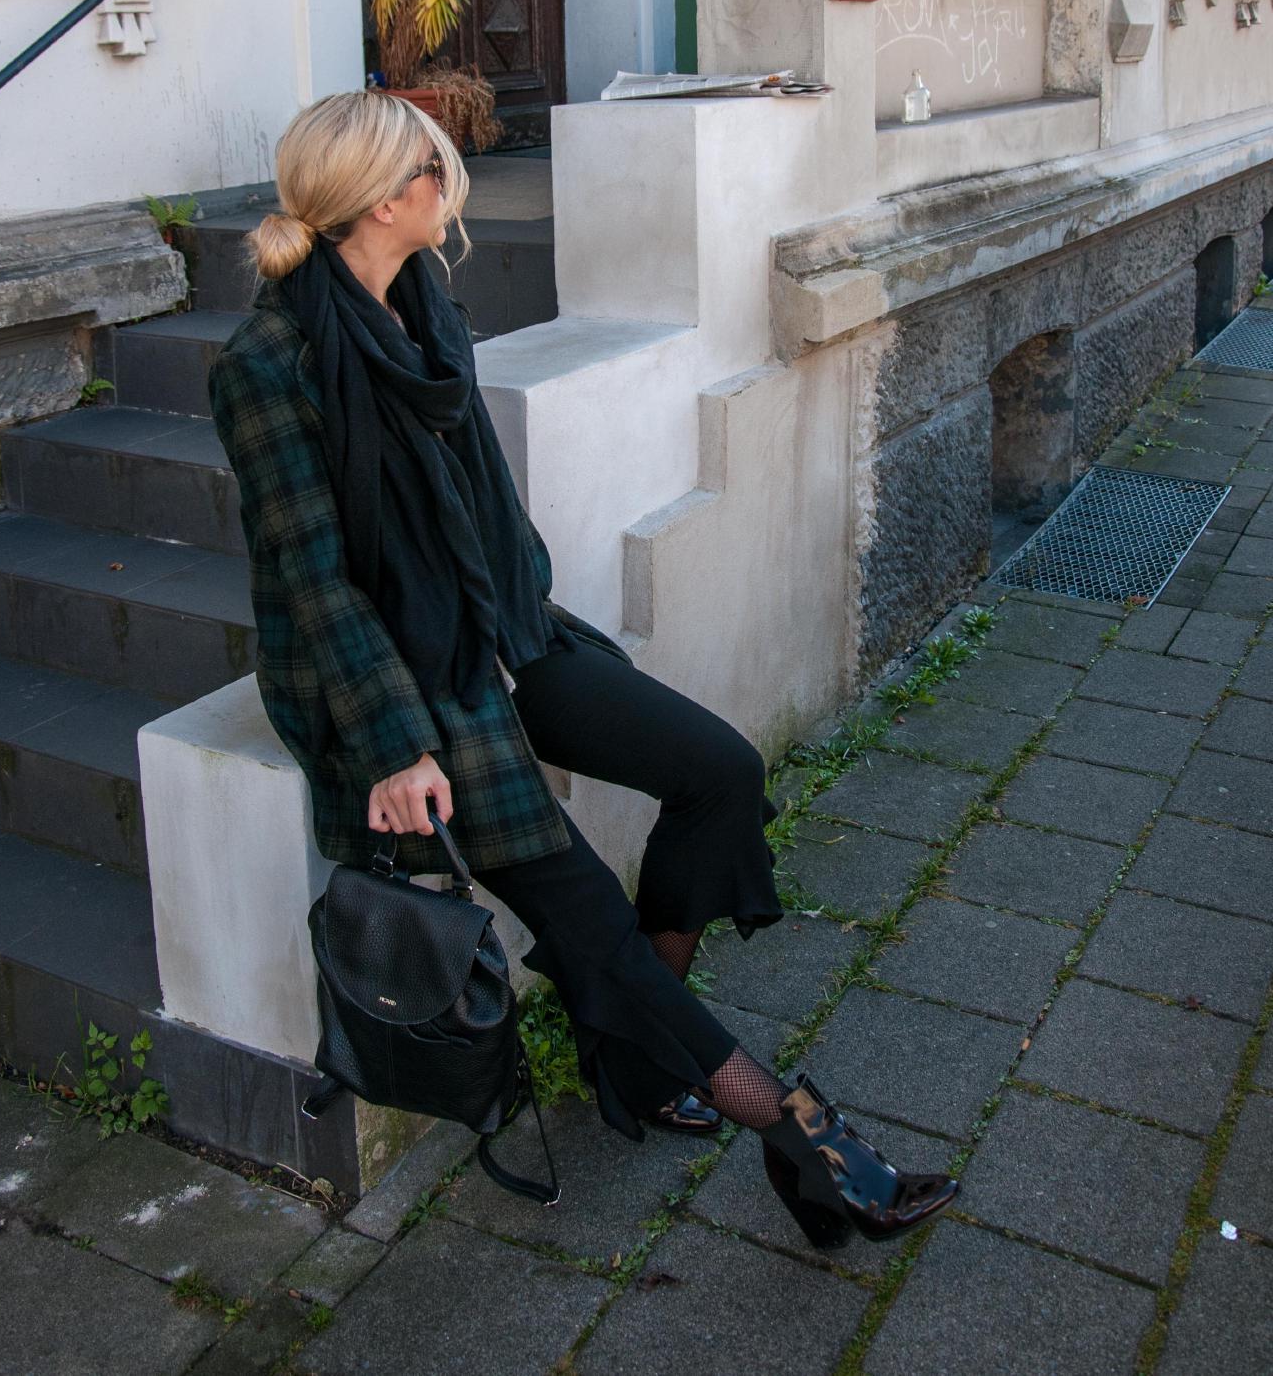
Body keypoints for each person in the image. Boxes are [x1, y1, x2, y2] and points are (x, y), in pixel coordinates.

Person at [207, 89, 959, 1249]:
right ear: (384, 198)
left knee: (717, 771)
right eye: (435, 167)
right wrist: (399, 745)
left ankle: (636, 1055)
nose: (452, 181)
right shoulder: (269, 364)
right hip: (400, 685)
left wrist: (516, 617)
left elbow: (469, 502)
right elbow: (313, 583)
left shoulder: (420, 302)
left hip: (503, 626)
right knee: (588, 911)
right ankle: (801, 1135)